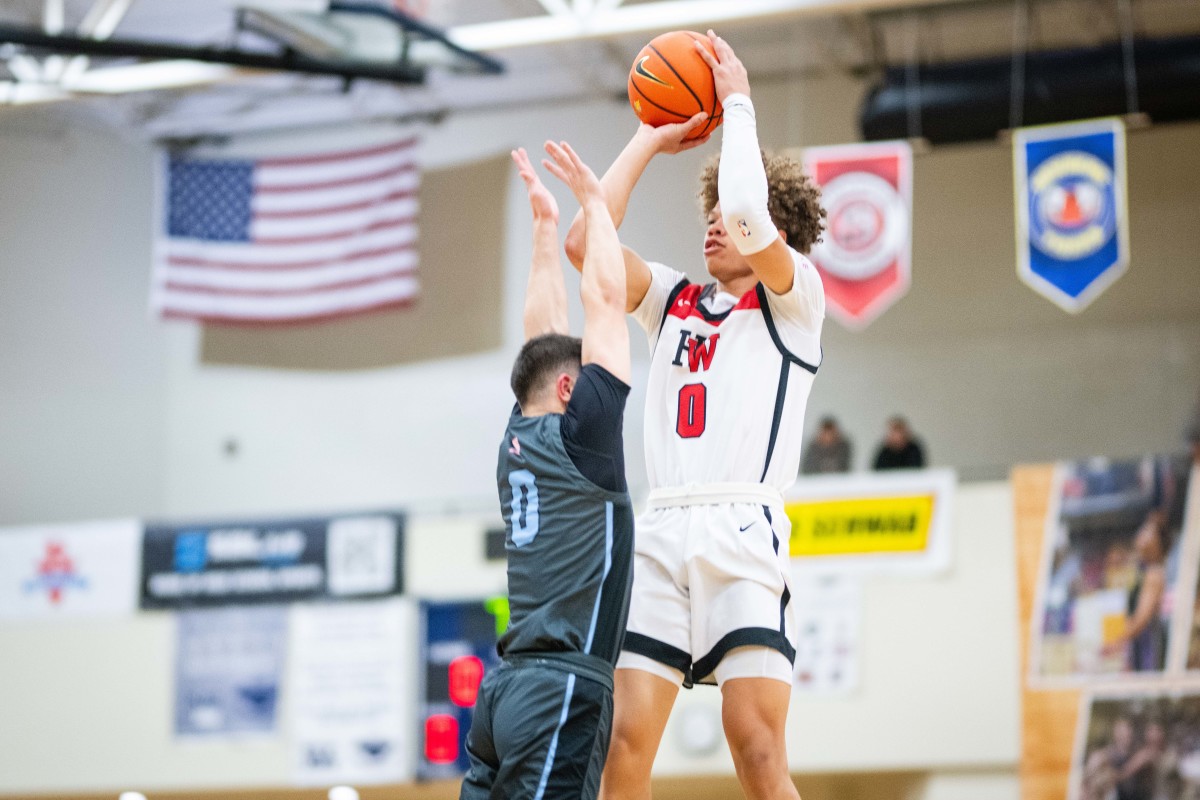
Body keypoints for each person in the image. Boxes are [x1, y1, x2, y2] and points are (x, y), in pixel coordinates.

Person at [564, 31, 825, 800]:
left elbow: (748, 207)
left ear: (773, 232)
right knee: (622, 751)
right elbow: (587, 243)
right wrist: (649, 135)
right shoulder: (674, 299)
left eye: (729, 215)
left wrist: (735, 97)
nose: (714, 222)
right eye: (707, 210)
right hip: (662, 529)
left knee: (757, 750)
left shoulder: (796, 299)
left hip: (742, 530)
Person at [459, 142, 634, 800]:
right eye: (583, 373)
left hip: (502, 696)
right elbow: (607, 303)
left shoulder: (518, 438)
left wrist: (542, 229)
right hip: (559, 688)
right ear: (569, 389)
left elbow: (543, 338)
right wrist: (595, 205)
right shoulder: (586, 440)